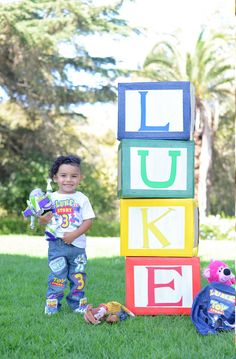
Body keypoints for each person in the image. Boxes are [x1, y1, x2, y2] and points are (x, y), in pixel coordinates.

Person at [39, 155, 95, 315]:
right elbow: (42, 222)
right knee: (57, 275)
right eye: (63, 176)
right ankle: (52, 303)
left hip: (77, 246)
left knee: (78, 276)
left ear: (80, 178)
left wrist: (75, 234)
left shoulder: (81, 198)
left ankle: (77, 303)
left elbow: (88, 221)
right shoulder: (49, 198)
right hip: (56, 245)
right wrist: (42, 219)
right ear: (55, 177)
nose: (68, 180)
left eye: (74, 176)